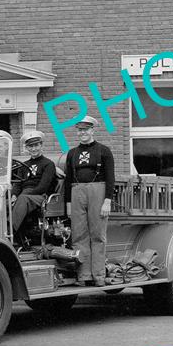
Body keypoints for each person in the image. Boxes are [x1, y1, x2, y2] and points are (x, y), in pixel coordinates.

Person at [63, 115, 115, 286]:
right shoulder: (72, 153)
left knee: (98, 235)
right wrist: (69, 204)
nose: (83, 132)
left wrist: (107, 200)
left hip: (97, 191)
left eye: (86, 129)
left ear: (93, 130)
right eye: (80, 129)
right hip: (77, 191)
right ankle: (84, 275)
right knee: (78, 235)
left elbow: (110, 178)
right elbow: (68, 179)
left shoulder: (103, 151)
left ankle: (99, 275)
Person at [10, 130, 58, 238]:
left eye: (36, 145)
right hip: (24, 196)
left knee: (22, 199)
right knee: (5, 202)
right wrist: (13, 196)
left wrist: (22, 195)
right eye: (30, 146)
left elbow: (43, 187)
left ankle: (10, 230)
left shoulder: (48, 164)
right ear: (26, 148)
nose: (33, 149)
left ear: (41, 145)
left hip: (39, 196)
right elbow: (18, 184)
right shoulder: (23, 165)